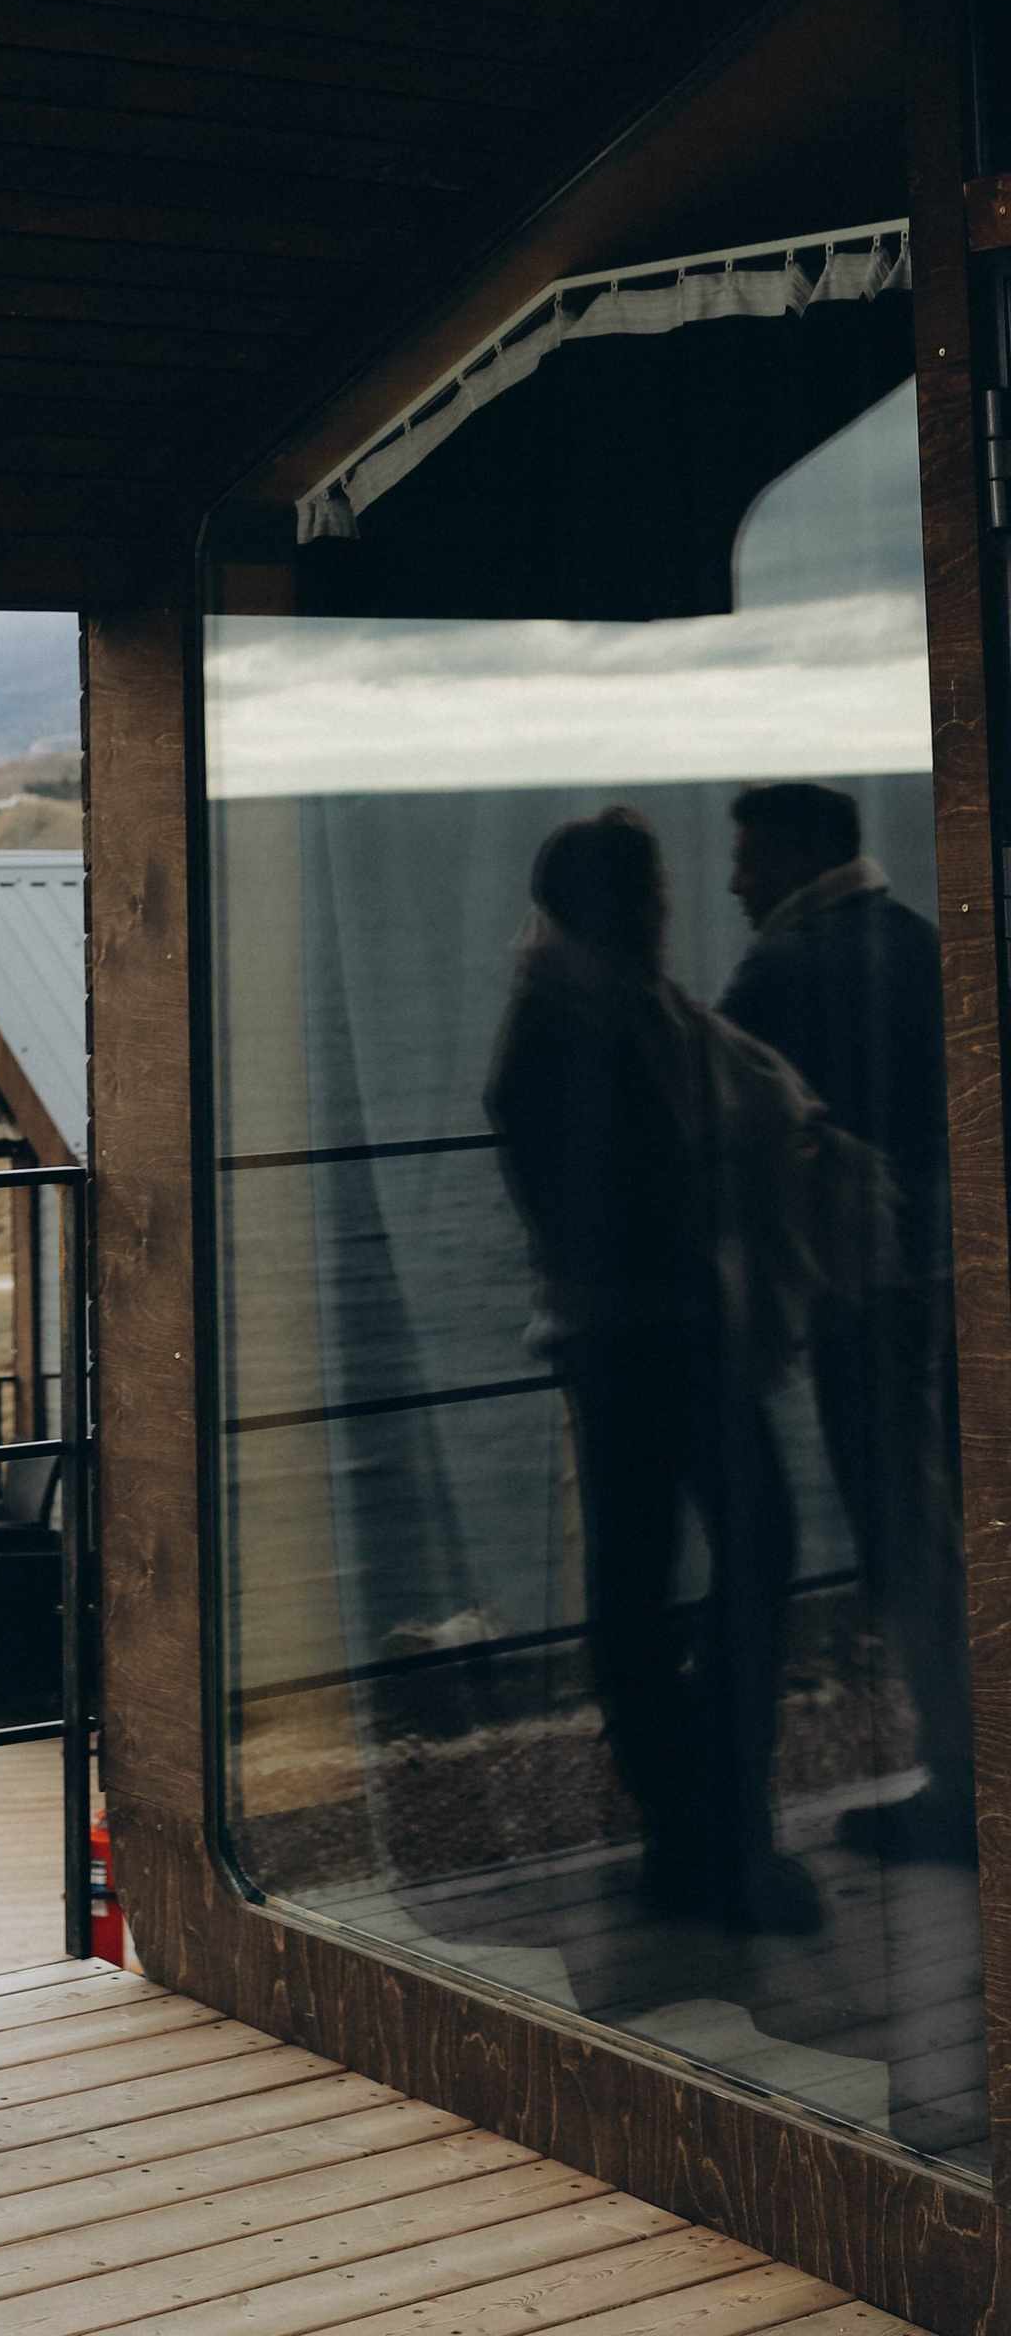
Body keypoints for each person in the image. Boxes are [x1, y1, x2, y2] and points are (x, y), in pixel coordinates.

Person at [486, 806, 829, 1935]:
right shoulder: (584, 1029)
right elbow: (612, 1204)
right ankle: (707, 1835)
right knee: (716, 1562)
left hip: (627, 1339)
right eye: (653, 896)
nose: (669, 913)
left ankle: (698, 1830)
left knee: (642, 1581)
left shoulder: (596, 1011)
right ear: (622, 907)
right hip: (652, 1338)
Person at [721, 781, 972, 1863]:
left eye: (746, 858)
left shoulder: (779, 972)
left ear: (791, 859)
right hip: (960, 1269)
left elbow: (712, 1124)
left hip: (863, 1282)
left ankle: (958, 1780)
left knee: (898, 1526)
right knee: (956, 1512)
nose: (733, 881)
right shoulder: (922, 941)